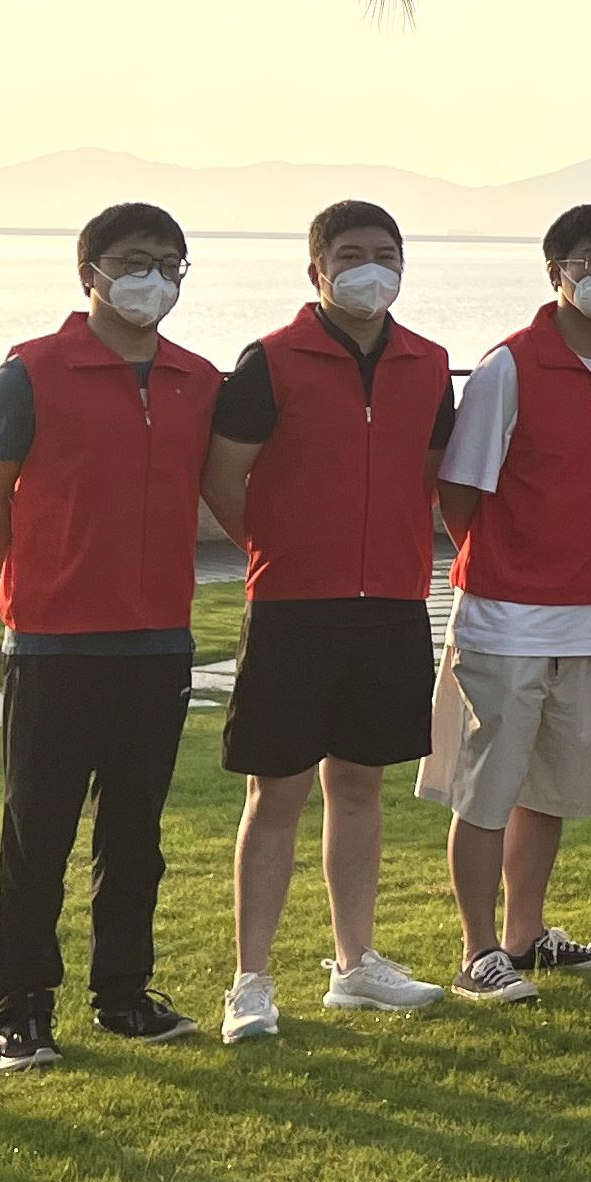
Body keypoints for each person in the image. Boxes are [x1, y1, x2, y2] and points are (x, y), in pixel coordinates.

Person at [0, 201, 222, 1072]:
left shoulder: (198, 380)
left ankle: (123, 994)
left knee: (136, 837)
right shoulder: (30, 373)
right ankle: (22, 1011)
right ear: (91, 274)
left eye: (168, 263)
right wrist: (41, 577)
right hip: (53, 645)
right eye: (132, 261)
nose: (152, 278)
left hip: (158, 643)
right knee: (36, 836)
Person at [203, 200, 456, 1040]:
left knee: (360, 786)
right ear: (316, 269)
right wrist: (275, 546)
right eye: (350, 254)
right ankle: (250, 981)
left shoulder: (429, 363)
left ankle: (356, 964)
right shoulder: (270, 361)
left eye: (386, 252)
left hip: (391, 604)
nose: (370, 268)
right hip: (291, 607)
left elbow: (429, 472)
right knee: (275, 791)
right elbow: (224, 475)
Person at [429, 203, 591, 1003]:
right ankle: (478, 951)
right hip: (503, 619)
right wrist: (507, 561)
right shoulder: (509, 366)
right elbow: (460, 489)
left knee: (551, 789)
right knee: (486, 791)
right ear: (556, 270)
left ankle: (526, 934)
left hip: (588, 620)